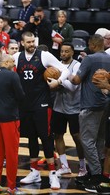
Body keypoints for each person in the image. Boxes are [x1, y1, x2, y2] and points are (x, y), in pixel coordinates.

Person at [14, 31, 70, 190]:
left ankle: (53, 174)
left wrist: (58, 81)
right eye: (29, 42)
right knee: (31, 137)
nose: (32, 44)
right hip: (25, 105)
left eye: (33, 41)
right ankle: (34, 171)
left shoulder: (44, 55)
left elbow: (65, 69)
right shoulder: (18, 57)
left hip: (42, 104)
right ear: (22, 43)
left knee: (46, 138)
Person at [70, 34, 110, 188]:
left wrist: (69, 76)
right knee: (99, 140)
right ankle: (97, 171)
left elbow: (77, 80)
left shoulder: (89, 59)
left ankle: (96, 175)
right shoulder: (108, 58)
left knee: (87, 141)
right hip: (105, 104)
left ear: (92, 45)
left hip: (90, 105)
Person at [0, 54, 25, 194]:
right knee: (11, 154)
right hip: (10, 118)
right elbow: (21, 96)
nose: (14, 64)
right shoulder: (13, 76)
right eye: (12, 61)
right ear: (6, 62)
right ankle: (12, 187)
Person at [51, 42, 87, 177]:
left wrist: (59, 81)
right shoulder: (57, 65)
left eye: (66, 51)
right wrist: (54, 82)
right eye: (62, 51)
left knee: (77, 137)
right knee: (58, 136)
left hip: (74, 108)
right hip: (58, 107)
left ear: (72, 52)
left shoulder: (77, 65)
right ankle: (65, 166)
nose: (63, 54)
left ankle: (83, 167)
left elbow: (74, 87)